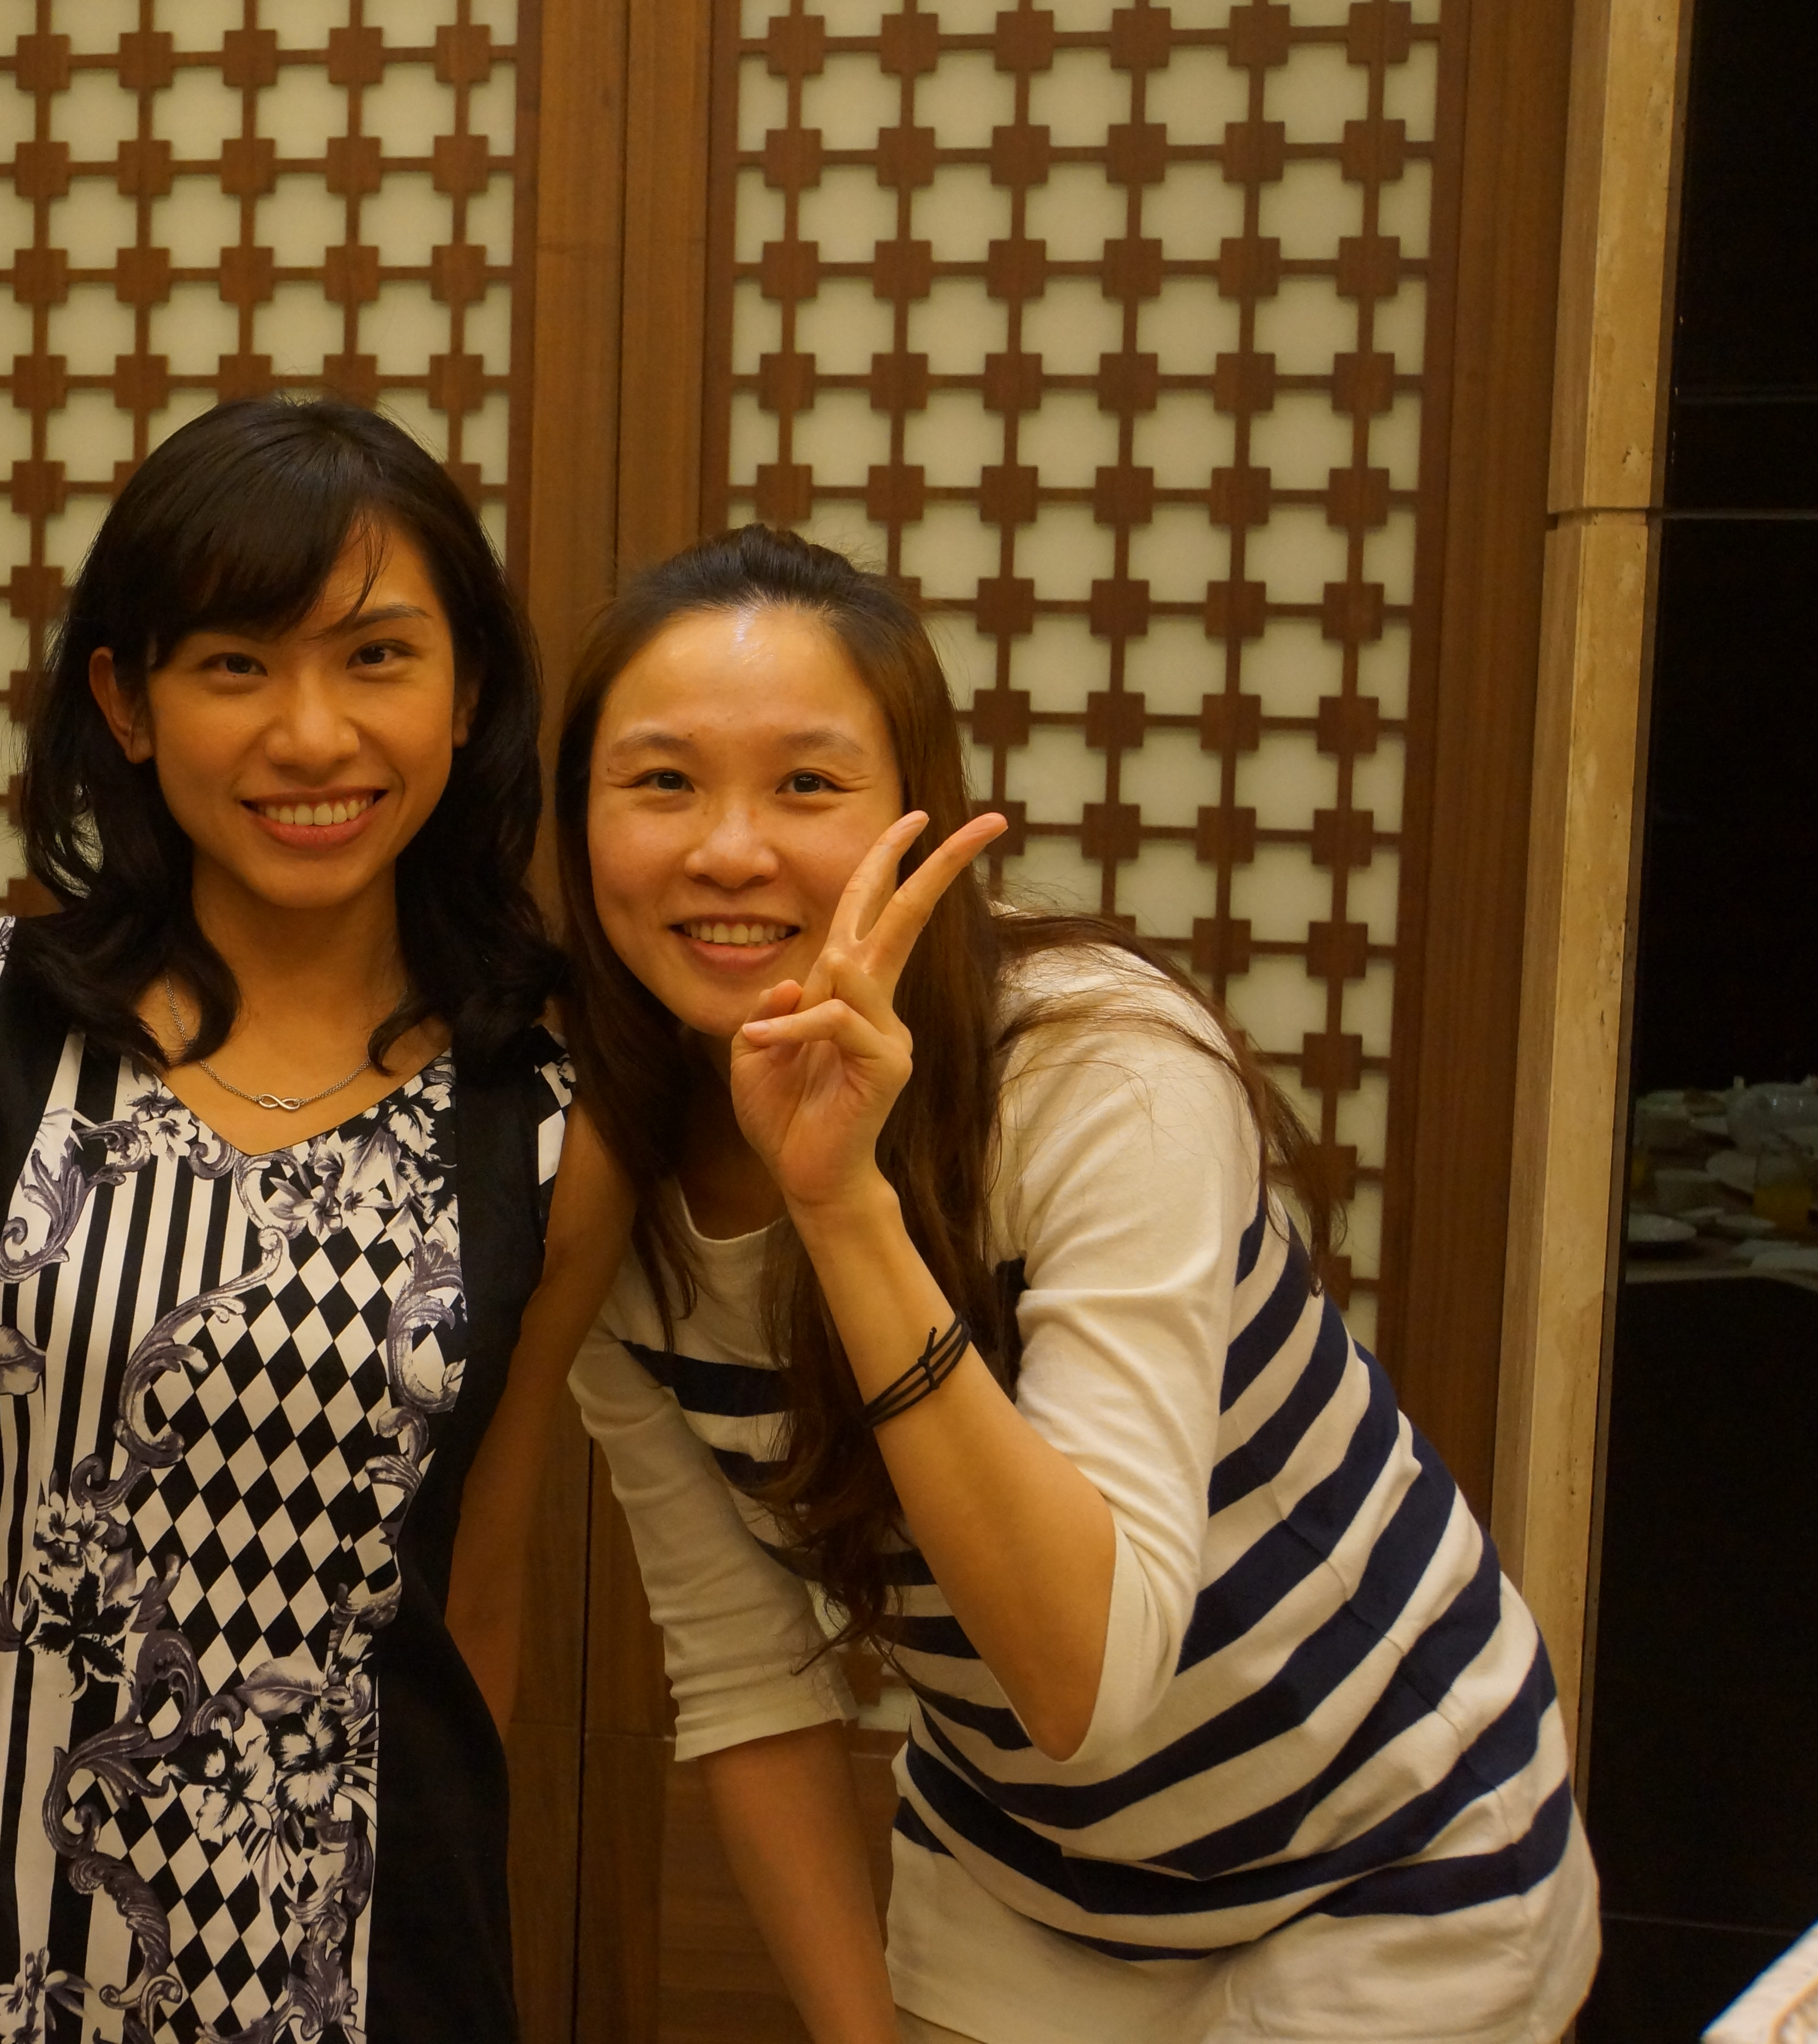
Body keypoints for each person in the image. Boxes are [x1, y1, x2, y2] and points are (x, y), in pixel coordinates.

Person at [556, 528, 1597, 2044]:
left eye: (807, 784)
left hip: (1388, 1852)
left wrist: (841, 1206)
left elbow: (1086, 1683)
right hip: (1027, 1876)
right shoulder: (608, 1186)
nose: (729, 850)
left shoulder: (1102, 1073)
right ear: (578, 823)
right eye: (662, 782)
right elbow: (745, 1679)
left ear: (915, 813)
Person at [0, 398, 622, 2044]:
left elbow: (476, 1596)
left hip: (359, 1975)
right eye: (235, 665)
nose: (312, 736)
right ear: (127, 703)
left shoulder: (548, 1119)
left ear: (466, 693)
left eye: (376, 658)